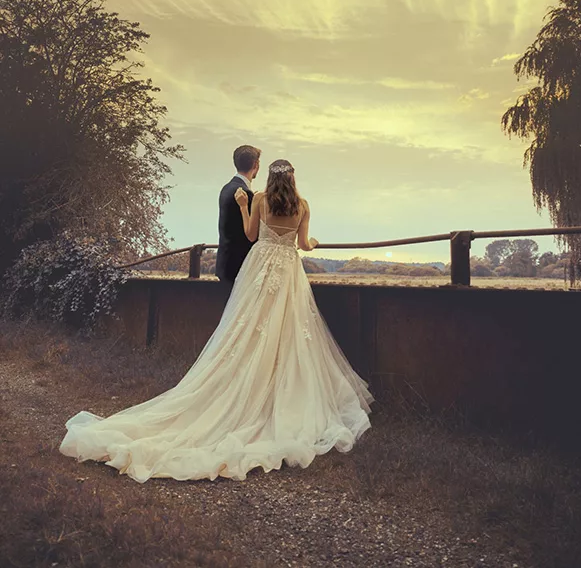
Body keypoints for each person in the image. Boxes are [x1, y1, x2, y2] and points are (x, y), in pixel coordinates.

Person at [58, 158, 373, 483]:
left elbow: (251, 235)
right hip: (288, 271)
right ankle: (275, 393)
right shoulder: (303, 205)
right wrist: (315, 242)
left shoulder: (261, 199)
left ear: (270, 177)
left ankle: (247, 385)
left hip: (260, 266)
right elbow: (305, 245)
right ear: (293, 179)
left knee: (247, 329)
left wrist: (241, 206)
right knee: (286, 332)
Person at [215, 144, 261, 297]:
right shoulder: (245, 193)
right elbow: (251, 233)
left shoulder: (226, 188)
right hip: (239, 266)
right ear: (256, 165)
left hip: (225, 263)